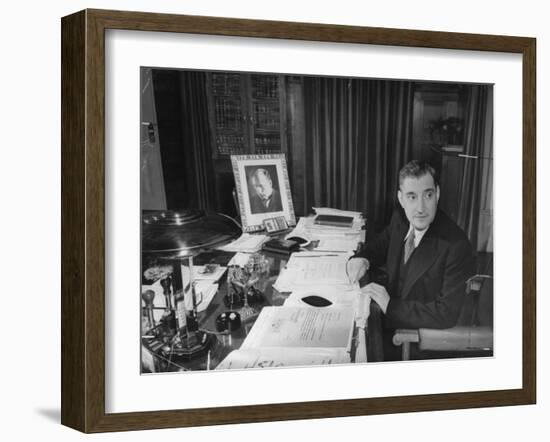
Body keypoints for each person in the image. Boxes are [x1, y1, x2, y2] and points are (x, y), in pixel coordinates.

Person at [347, 160, 474, 336]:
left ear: (437, 194)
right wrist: (362, 258)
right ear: (401, 199)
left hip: (413, 344)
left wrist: (391, 306)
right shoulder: (401, 219)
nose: (420, 208)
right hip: (385, 326)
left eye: (428, 195)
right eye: (412, 197)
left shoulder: (456, 246)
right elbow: (379, 246)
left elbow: (446, 313)